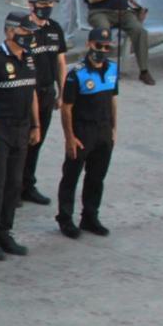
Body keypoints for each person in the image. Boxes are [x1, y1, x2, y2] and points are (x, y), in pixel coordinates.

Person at [0, 13, 41, 261]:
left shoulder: (29, 59)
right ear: (10, 32)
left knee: (14, 184)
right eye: (26, 32)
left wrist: (36, 125)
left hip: (21, 128)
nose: (30, 37)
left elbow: (31, 92)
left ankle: (5, 232)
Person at [56, 27, 120, 238]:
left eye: (105, 46)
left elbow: (112, 100)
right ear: (89, 44)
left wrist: (113, 129)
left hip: (103, 131)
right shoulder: (77, 73)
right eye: (97, 45)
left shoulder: (112, 69)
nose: (101, 50)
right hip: (82, 131)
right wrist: (69, 137)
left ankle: (90, 217)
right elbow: (66, 108)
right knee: (71, 177)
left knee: (96, 177)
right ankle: (65, 219)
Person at [18, 0, 68, 208]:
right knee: (22, 142)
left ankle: (28, 185)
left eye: (50, 4)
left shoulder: (55, 29)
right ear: (32, 5)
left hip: (47, 92)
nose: (47, 8)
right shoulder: (24, 29)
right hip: (27, 93)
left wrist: (62, 92)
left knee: (37, 142)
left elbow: (60, 62)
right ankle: (14, 187)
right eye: (42, 5)